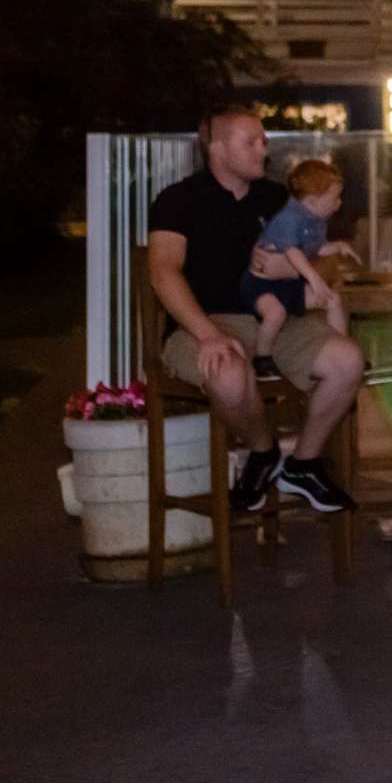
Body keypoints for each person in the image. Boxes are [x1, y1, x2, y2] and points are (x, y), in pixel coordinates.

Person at [146, 107, 362, 514]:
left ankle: (302, 464)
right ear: (217, 148)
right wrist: (207, 334)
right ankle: (263, 452)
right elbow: (162, 272)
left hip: (280, 319)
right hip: (208, 322)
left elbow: (326, 259)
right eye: (252, 141)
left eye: (263, 140)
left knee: (348, 361)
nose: (265, 149)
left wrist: (293, 268)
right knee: (227, 374)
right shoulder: (178, 201)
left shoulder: (278, 198)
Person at [238, 158, 352, 344]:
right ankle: (263, 357)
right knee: (275, 314)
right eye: (335, 198)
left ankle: (341, 344)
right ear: (313, 201)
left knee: (333, 300)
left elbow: (318, 248)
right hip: (262, 285)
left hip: (288, 285)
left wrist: (338, 246)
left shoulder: (316, 219)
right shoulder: (290, 217)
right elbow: (292, 252)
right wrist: (314, 279)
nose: (339, 203)